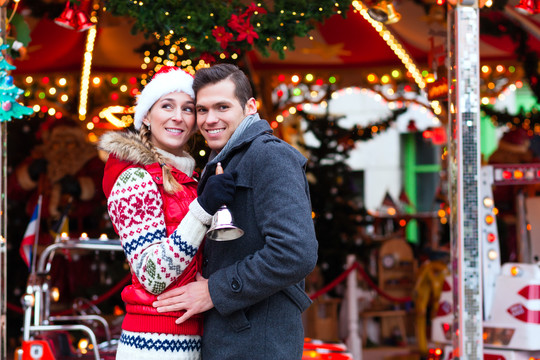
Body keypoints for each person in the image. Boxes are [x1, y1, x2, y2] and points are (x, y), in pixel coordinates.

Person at [153, 63, 318, 359]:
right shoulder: (226, 157)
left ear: (250, 107)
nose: (210, 119)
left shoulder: (270, 156)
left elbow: (296, 252)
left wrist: (215, 290)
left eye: (222, 107)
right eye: (202, 110)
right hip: (232, 336)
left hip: (258, 343)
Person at [99, 66, 236, 360]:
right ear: (146, 116)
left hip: (195, 338)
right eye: (166, 106)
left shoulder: (191, 181)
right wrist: (203, 210)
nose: (178, 117)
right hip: (153, 343)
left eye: (188, 109)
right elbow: (152, 276)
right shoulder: (134, 180)